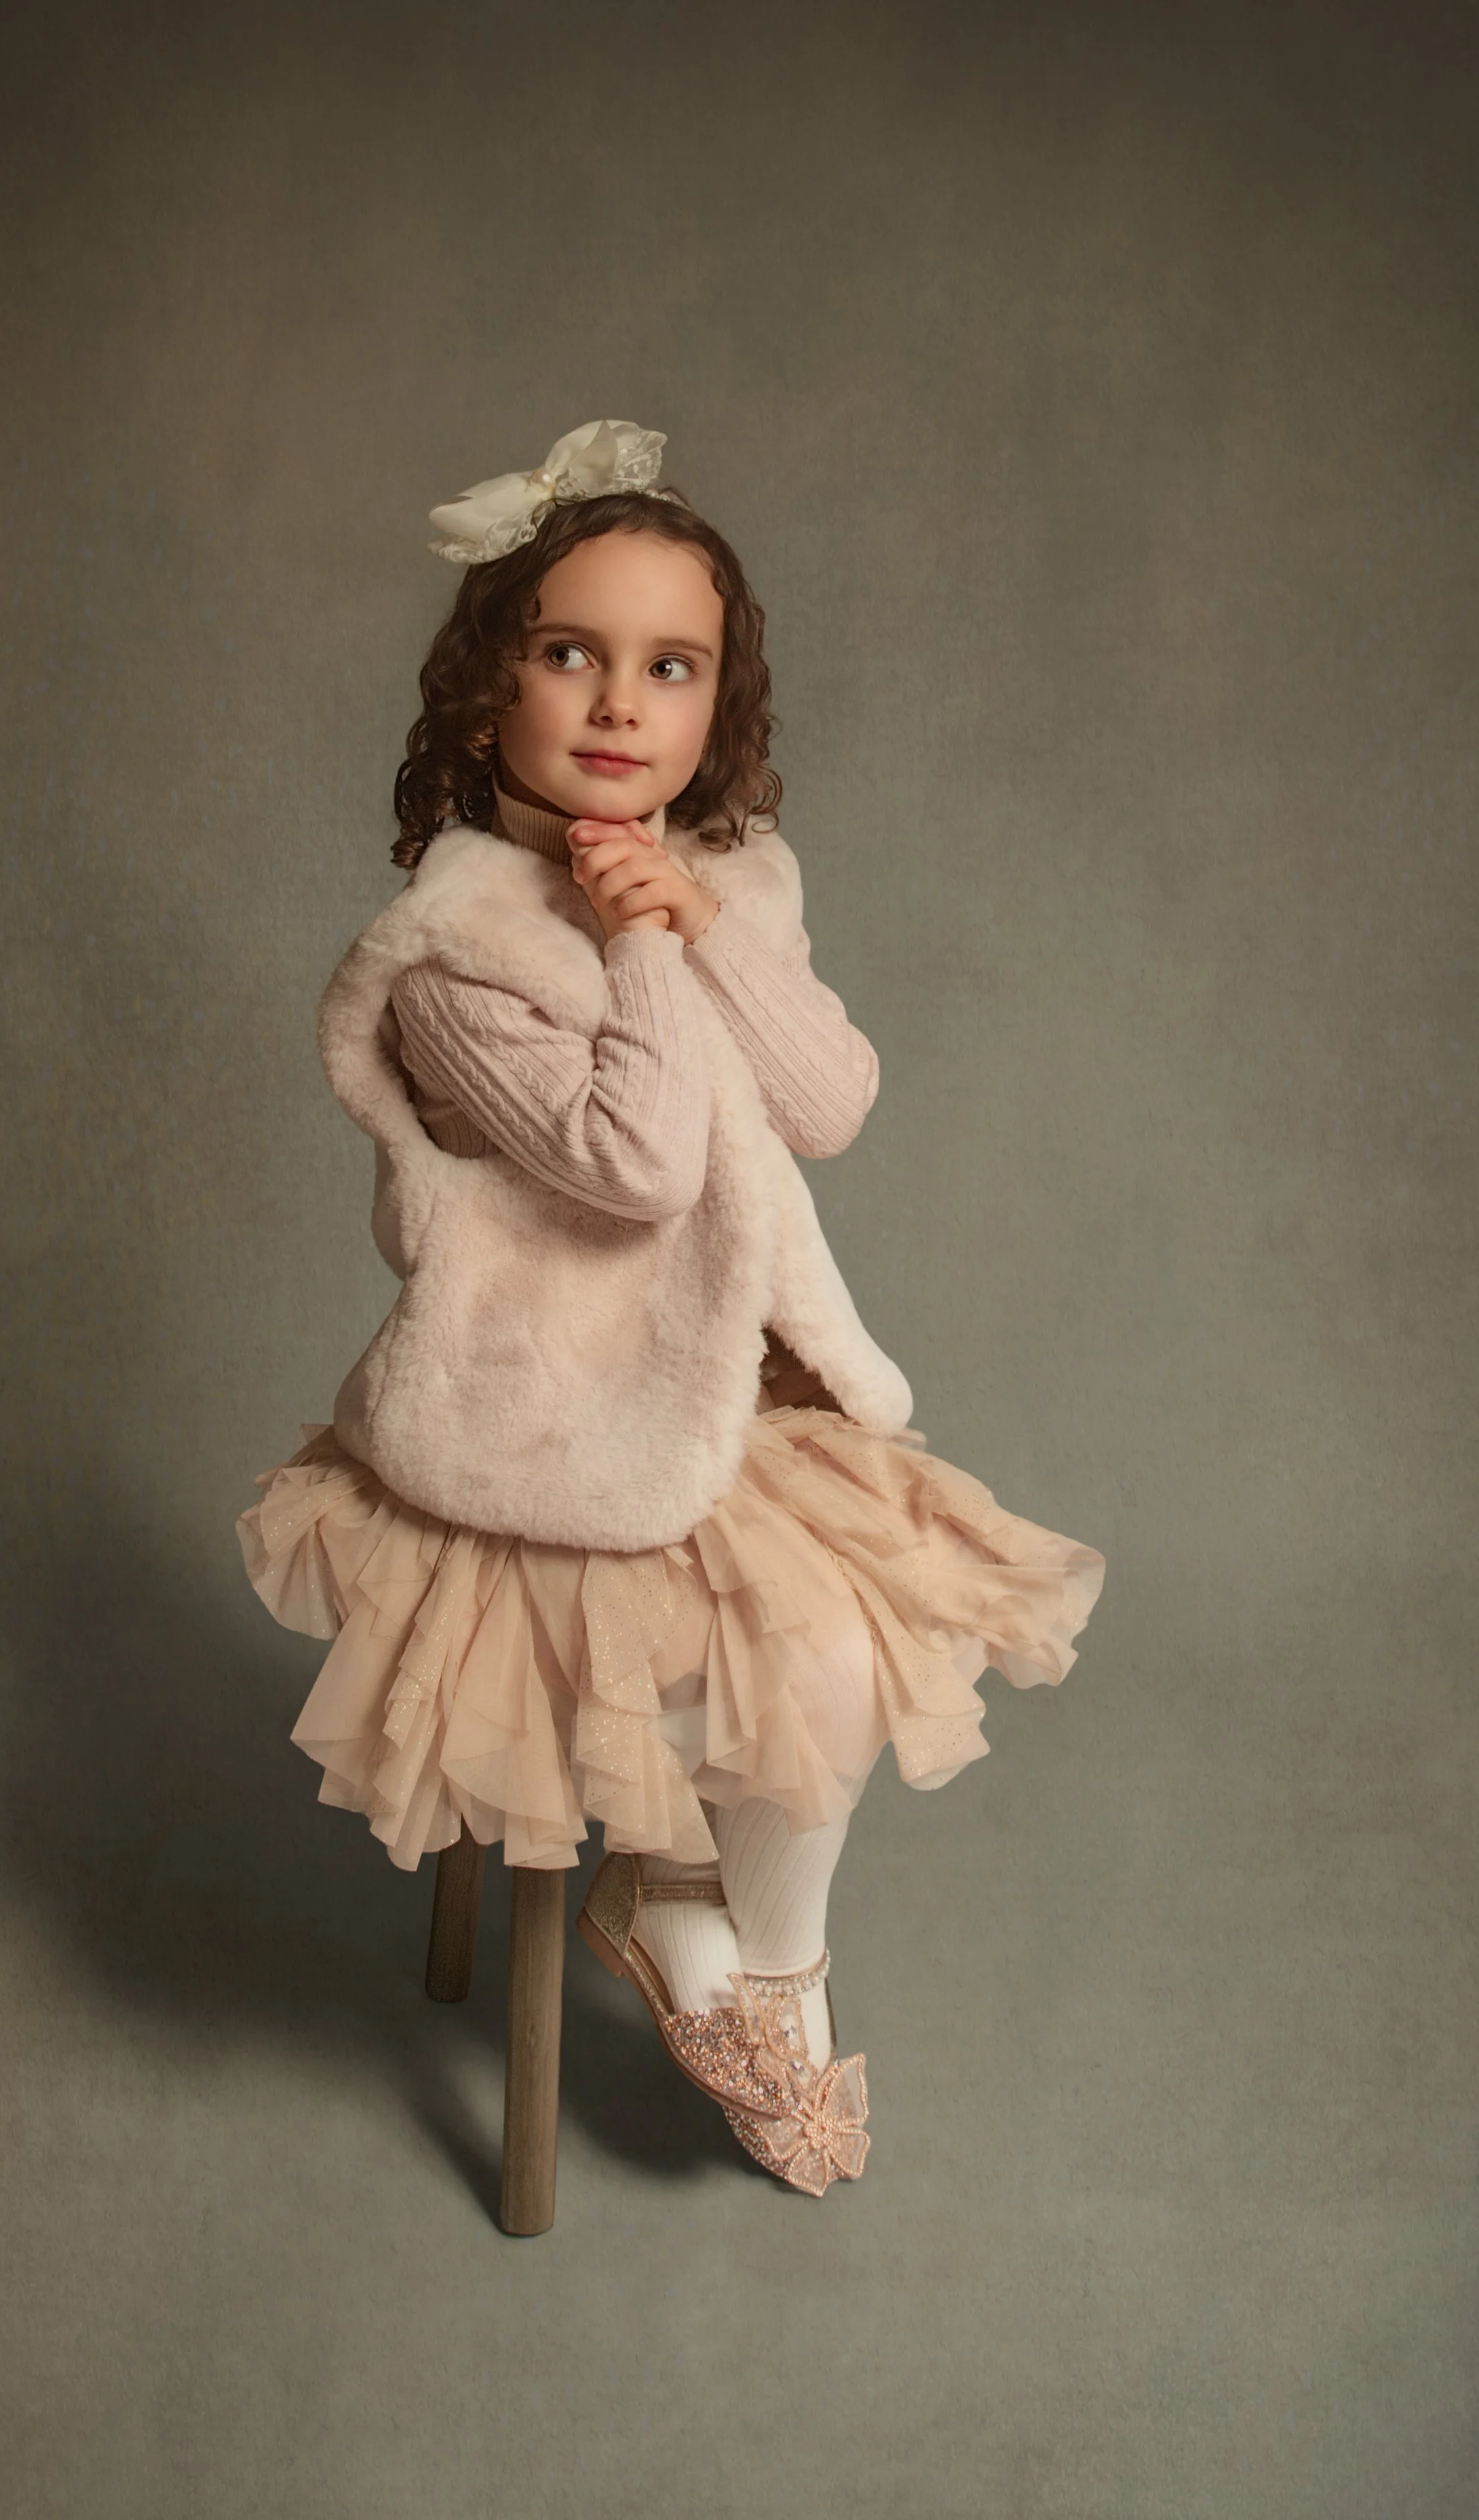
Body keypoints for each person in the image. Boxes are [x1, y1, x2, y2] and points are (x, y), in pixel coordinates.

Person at [236, 419, 1106, 2197]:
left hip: (732, 1381)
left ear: (718, 707)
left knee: (849, 1662)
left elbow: (826, 1102)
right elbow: (630, 1166)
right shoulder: (454, 956)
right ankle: (694, 1933)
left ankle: (743, 1948)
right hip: (557, 1407)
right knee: (789, 1662)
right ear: (488, 696)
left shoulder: (729, 884)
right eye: (568, 653)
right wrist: (635, 940)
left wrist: (696, 918)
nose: (618, 704)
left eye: (668, 666)